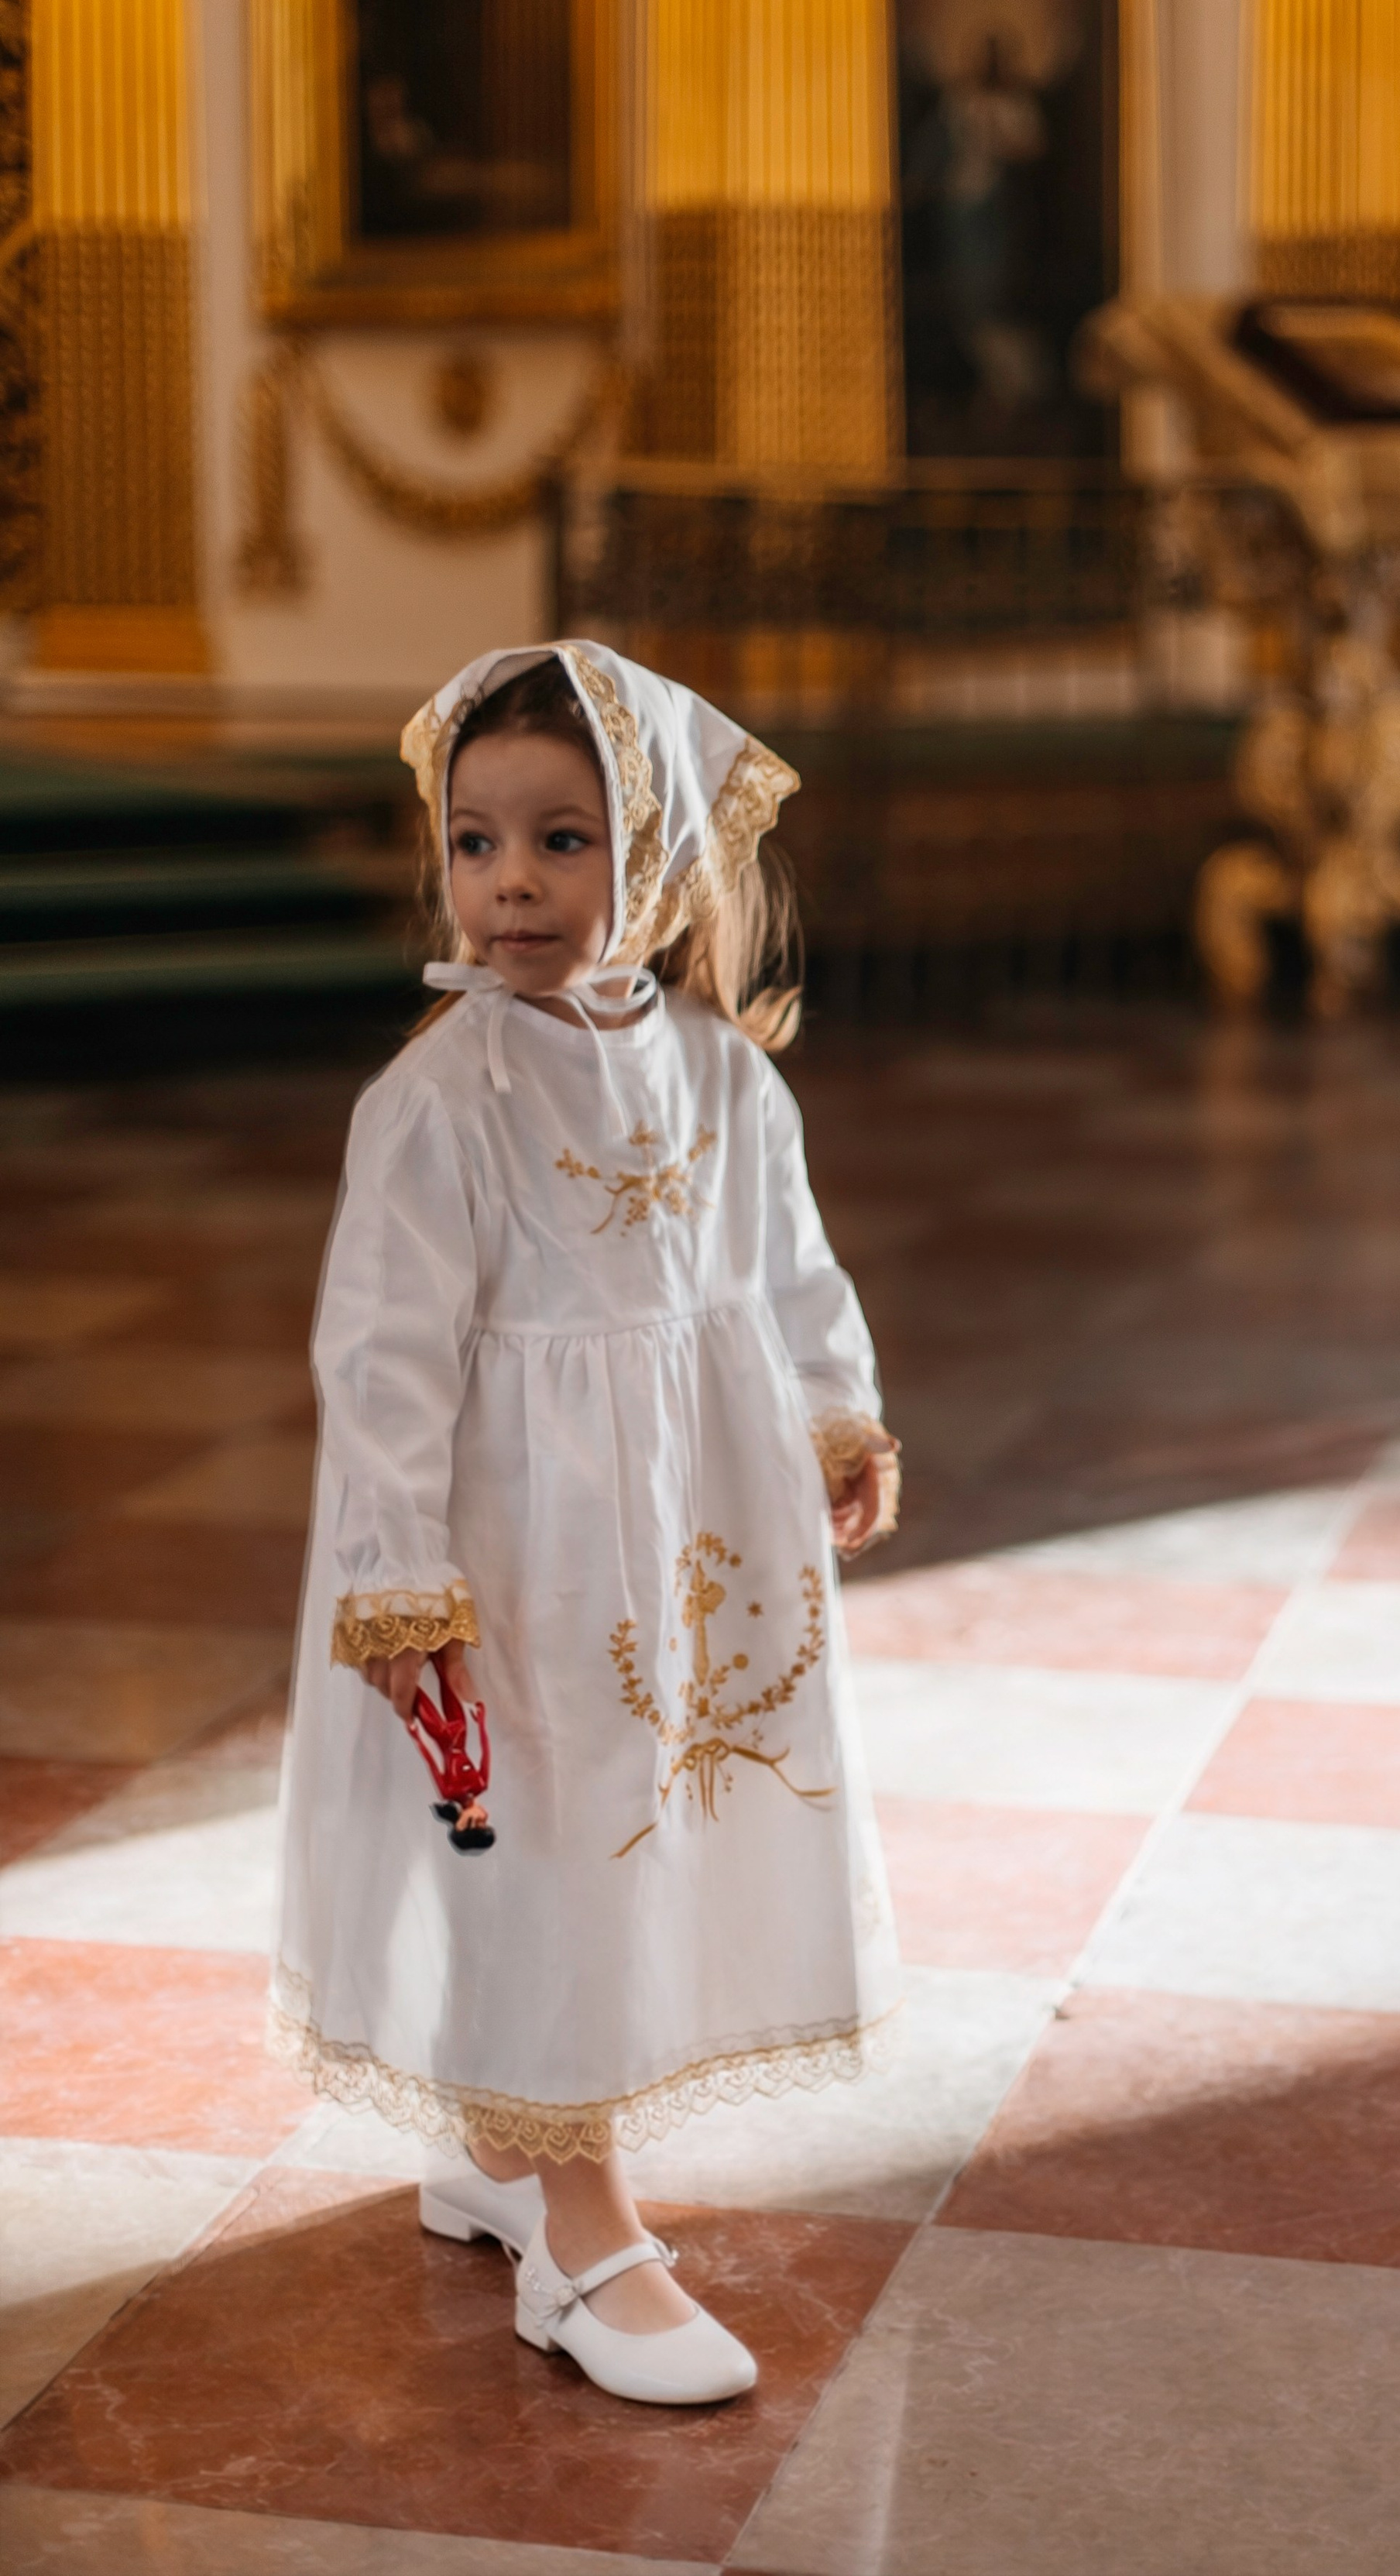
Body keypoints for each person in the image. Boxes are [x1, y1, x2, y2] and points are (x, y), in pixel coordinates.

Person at [271, 641, 901, 2406]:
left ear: (662, 859)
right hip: (523, 1535)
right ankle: (578, 2226)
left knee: (637, 1818)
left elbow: (785, 1265)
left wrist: (836, 1401)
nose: (510, 886)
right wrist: (403, 1584)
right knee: (536, 1819)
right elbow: (384, 1360)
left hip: (691, 1524)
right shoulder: (439, 1101)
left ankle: (495, 2137)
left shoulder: (716, 1068)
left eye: (561, 841)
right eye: (474, 844)